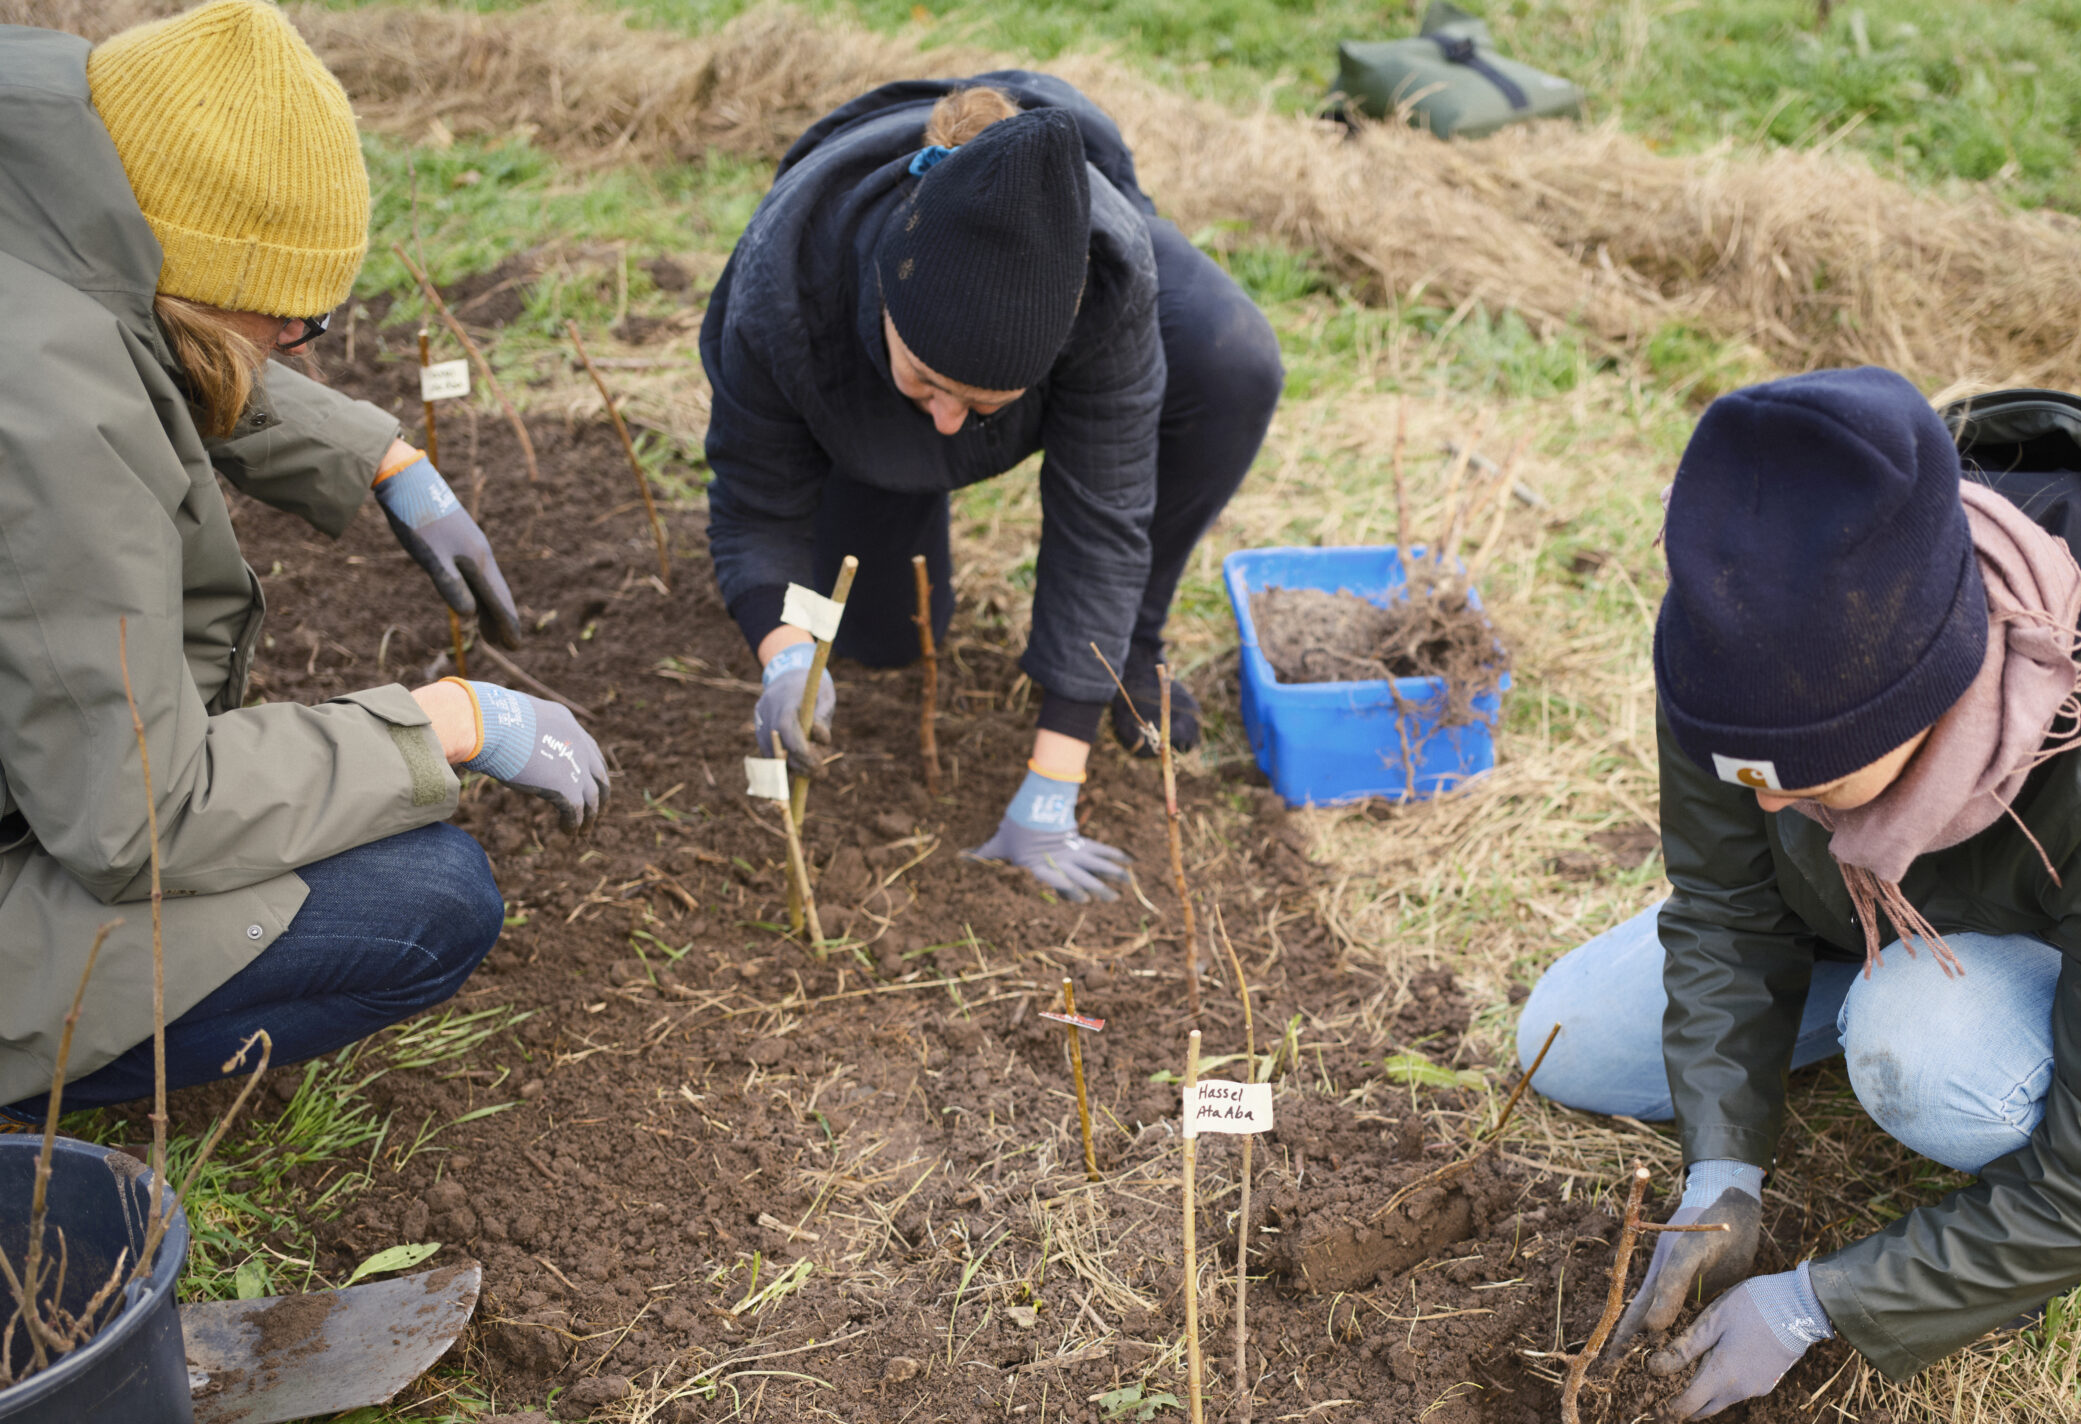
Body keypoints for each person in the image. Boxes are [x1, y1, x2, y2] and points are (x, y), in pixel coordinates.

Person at [1518, 369, 2081, 1418]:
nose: (1776, 810)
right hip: (1888, 900)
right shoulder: (1737, 651)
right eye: (1753, 783)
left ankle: (1938, 1047)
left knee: (1918, 1050)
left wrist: (1820, 1302)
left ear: (1926, 695)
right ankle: (1882, 983)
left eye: (1813, 782)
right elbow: (1729, 907)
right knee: (1564, 1034)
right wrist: (1722, 1170)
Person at [0, 0, 608, 1117]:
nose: (301, 344)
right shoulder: (47, 428)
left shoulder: (35, 138)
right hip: (101, 819)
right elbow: (142, 816)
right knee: (428, 900)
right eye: (294, 326)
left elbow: (129, 312)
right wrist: (445, 721)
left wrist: (374, 453)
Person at [699, 74, 1285, 903]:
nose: (945, 420)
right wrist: (787, 656)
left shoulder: (1106, 285)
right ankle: (898, 451)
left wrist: (1052, 791)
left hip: (1091, 302)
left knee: (1232, 361)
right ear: (884, 306)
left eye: (979, 403)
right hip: (850, 394)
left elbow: (1102, 520)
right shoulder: (786, 283)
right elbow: (758, 507)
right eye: (927, 382)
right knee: (881, 638)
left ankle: (1131, 647)